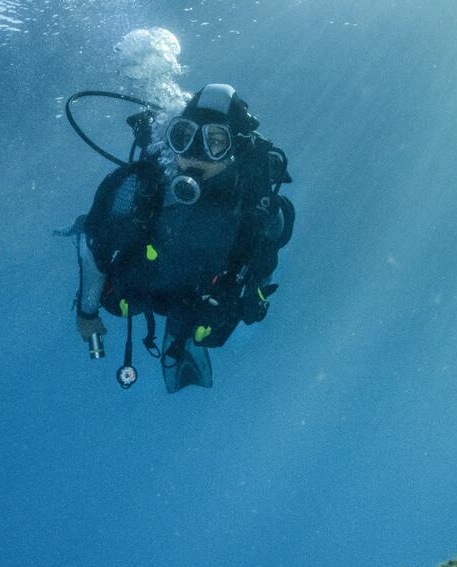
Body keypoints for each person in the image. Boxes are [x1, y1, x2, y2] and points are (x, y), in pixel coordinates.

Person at [72, 84, 294, 392]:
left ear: (234, 150)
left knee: (216, 331)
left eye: (215, 142)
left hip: (205, 289)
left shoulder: (254, 203)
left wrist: (253, 293)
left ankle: (183, 336)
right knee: (118, 303)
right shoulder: (138, 186)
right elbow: (94, 241)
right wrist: (87, 311)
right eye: (183, 136)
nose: (194, 154)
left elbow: (266, 251)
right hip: (147, 279)